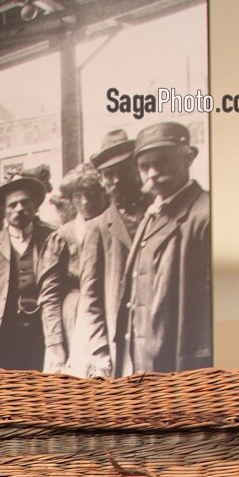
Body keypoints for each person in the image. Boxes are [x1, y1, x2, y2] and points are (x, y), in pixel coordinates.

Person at [115, 121, 211, 375]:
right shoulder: (152, 214)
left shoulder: (206, 213)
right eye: (144, 166)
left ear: (188, 158)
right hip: (141, 362)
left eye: (163, 162)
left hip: (181, 363)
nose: (152, 172)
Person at [0, 168, 57, 372]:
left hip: (42, 336)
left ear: (35, 206)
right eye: (13, 205)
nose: (19, 209)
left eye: (25, 202)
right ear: (3, 211)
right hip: (4, 338)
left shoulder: (51, 238)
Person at [80, 131, 148, 377]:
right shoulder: (98, 227)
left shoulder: (158, 212)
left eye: (122, 170)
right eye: (109, 174)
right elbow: (91, 295)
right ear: (101, 180)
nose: (116, 180)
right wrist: (99, 349)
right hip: (121, 342)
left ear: (136, 169)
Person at [41, 163, 108, 374]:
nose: (85, 202)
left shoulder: (113, 227)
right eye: (78, 196)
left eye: (91, 194)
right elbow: (49, 293)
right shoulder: (64, 235)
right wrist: (54, 342)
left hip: (110, 309)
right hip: (75, 315)